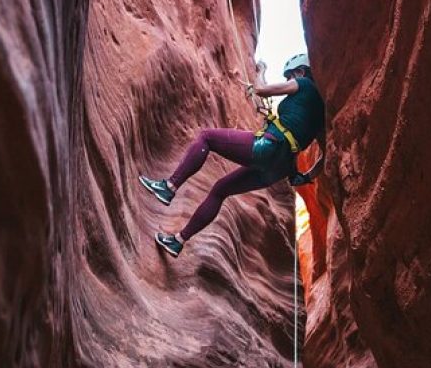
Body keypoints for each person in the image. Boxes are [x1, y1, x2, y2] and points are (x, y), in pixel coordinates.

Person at [139, 53, 325, 257]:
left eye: (290, 75)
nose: (289, 80)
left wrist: (261, 71)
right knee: (221, 189)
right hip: (280, 168)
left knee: (206, 138)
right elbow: (325, 156)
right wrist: (306, 176)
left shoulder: (303, 84)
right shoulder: (321, 113)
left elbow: (262, 90)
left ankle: (169, 186)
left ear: (300, 72)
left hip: (268, 147)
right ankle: (177, 241)